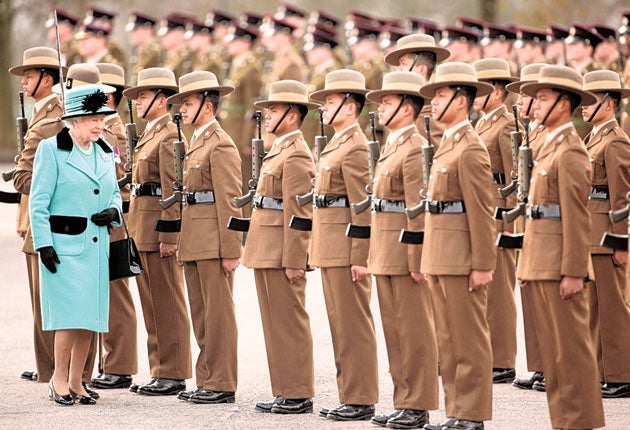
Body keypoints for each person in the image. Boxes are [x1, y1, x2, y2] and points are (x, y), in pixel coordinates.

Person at [518, 65, 605, 430]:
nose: (536, 104)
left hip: (559, 267)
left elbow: (577, 216)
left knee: (571, 352)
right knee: (554, 358)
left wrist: (573, 270)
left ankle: (580, 423)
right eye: (535, 97)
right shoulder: (550, 146)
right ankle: (563, 422)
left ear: (564, 102)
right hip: (540, 262)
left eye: (543, 98)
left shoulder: (570, 151)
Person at [29, 83, 122, 405]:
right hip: (63, 247)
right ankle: (58, 379)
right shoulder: (51, 149)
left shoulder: (105, 151)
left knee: (89, 318)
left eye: (103, 118)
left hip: (95, 247)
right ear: (75, 120)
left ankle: (78, 381)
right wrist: (43, 244)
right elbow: (38, 202)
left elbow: (113, 193)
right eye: (94, 119)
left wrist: (114, 210)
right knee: (68, 317)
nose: (100, 125)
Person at [419, 62, 497, 430]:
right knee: (448, 341)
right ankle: (456, 410)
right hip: (439, 255)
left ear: (462, 100)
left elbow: (482, 212)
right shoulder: (448, 143)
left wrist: (483, 264)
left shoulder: (470, 148)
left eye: (441, 95)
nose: (433, 102)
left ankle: (471, 413)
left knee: (469, 340)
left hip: (463, 259)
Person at [365, 71, 439, 429]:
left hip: (403, 251)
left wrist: (416, 259)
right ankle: (403, 400)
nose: (381, 108)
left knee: (414, 331)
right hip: (384, 248)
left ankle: (419, 403)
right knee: (395, 331)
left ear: (408, 109)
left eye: (389, 103)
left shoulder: (412, 148)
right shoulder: (393, 143)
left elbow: (417, 209)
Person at [166, 71, 243, 404]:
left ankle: (222, 382)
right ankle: (208, 378)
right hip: (195, 239)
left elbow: (229, 200)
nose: (183, 108)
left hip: (214, 241)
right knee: (201, 314)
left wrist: (231, 249)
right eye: (182, 103)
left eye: (189, 102)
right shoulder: (197, 140)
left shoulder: (220, 143)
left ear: (208, 107)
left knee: (218, 316)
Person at [242, 80, 317, 414]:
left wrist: (294, 259)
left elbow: (299, 213)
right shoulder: (280, 149)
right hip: (266, 246)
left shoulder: (297, 153)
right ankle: (285, 389)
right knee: (275, 324)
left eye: (273, 110)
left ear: (291, 114)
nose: (268, 115)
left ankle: (298, 391)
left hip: (281, 250)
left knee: (289, 321)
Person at [308, 70, 378, 421]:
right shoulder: (337, 143)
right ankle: (349, 394)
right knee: (340, 325)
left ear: (351, 108)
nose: (324, 109)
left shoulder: (355, 147)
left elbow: (360, 207)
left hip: (346, 248)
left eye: (331, 103)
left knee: (353, 324)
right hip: (330, 245)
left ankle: (361, 397)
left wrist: (360, 256)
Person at [122, 68, 192, 395]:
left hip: (157, 229)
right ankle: (159, 368)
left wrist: (170, 235)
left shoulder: (169, 135)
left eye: (144, 97)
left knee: (167, 301)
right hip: (141, 226)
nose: (137, 102)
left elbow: (172, 188)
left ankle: (174, 371)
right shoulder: (151, 132)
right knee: (151, 303)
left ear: (162, 101)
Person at [9, 47, 64, 384]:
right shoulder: (41, 114)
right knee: (40, 297)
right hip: (34, 214)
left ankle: (58, 366)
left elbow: (33, 175)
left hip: (47, 215)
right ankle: (48, 365)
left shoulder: (54, 117)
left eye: (30, 75)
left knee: (50, 295)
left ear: (48, 78)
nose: (25, 81)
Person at [89, 63, 139, 390]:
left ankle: (120, 364)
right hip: (105, 217)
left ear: (108, 95)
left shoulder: (111, 129)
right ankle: (111, 362)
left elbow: (115, 177)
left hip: (113, 219)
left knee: (116, 293)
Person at [581, 70, 630, 399]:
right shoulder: (594, 137)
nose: (583, 106)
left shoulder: (616, 142)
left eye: (592, 100)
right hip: (592, 231)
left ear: (609, 104)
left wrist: (621, 242)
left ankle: (621, 374)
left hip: (607, 235)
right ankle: (603, 371)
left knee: (613, 308)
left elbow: (623, 196)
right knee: (595, 307)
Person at [472, 58, 518, 385]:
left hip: (499, 210)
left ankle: (503, 359)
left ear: (498, 92)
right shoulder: (482, 122)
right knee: (487, 288)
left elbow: (514, 178)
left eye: (482, 90)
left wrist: (510, 223)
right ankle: (489, 352)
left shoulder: (506, 124)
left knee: (500, 288)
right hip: (483, 209)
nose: (474, 96)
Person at [503, 63, 548, 392]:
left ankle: (550, 364)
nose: (519, 102)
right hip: (525, 215)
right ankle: (539, 364)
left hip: (542, 220)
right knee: (531, 293)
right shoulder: (531, 131)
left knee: (545, 298)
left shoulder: (547, 134)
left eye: (526, 96)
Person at [383, 33, 450, 143]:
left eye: (403, 63)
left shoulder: (428, 113)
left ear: (421, 69)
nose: (398, 69)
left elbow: (436, 157)